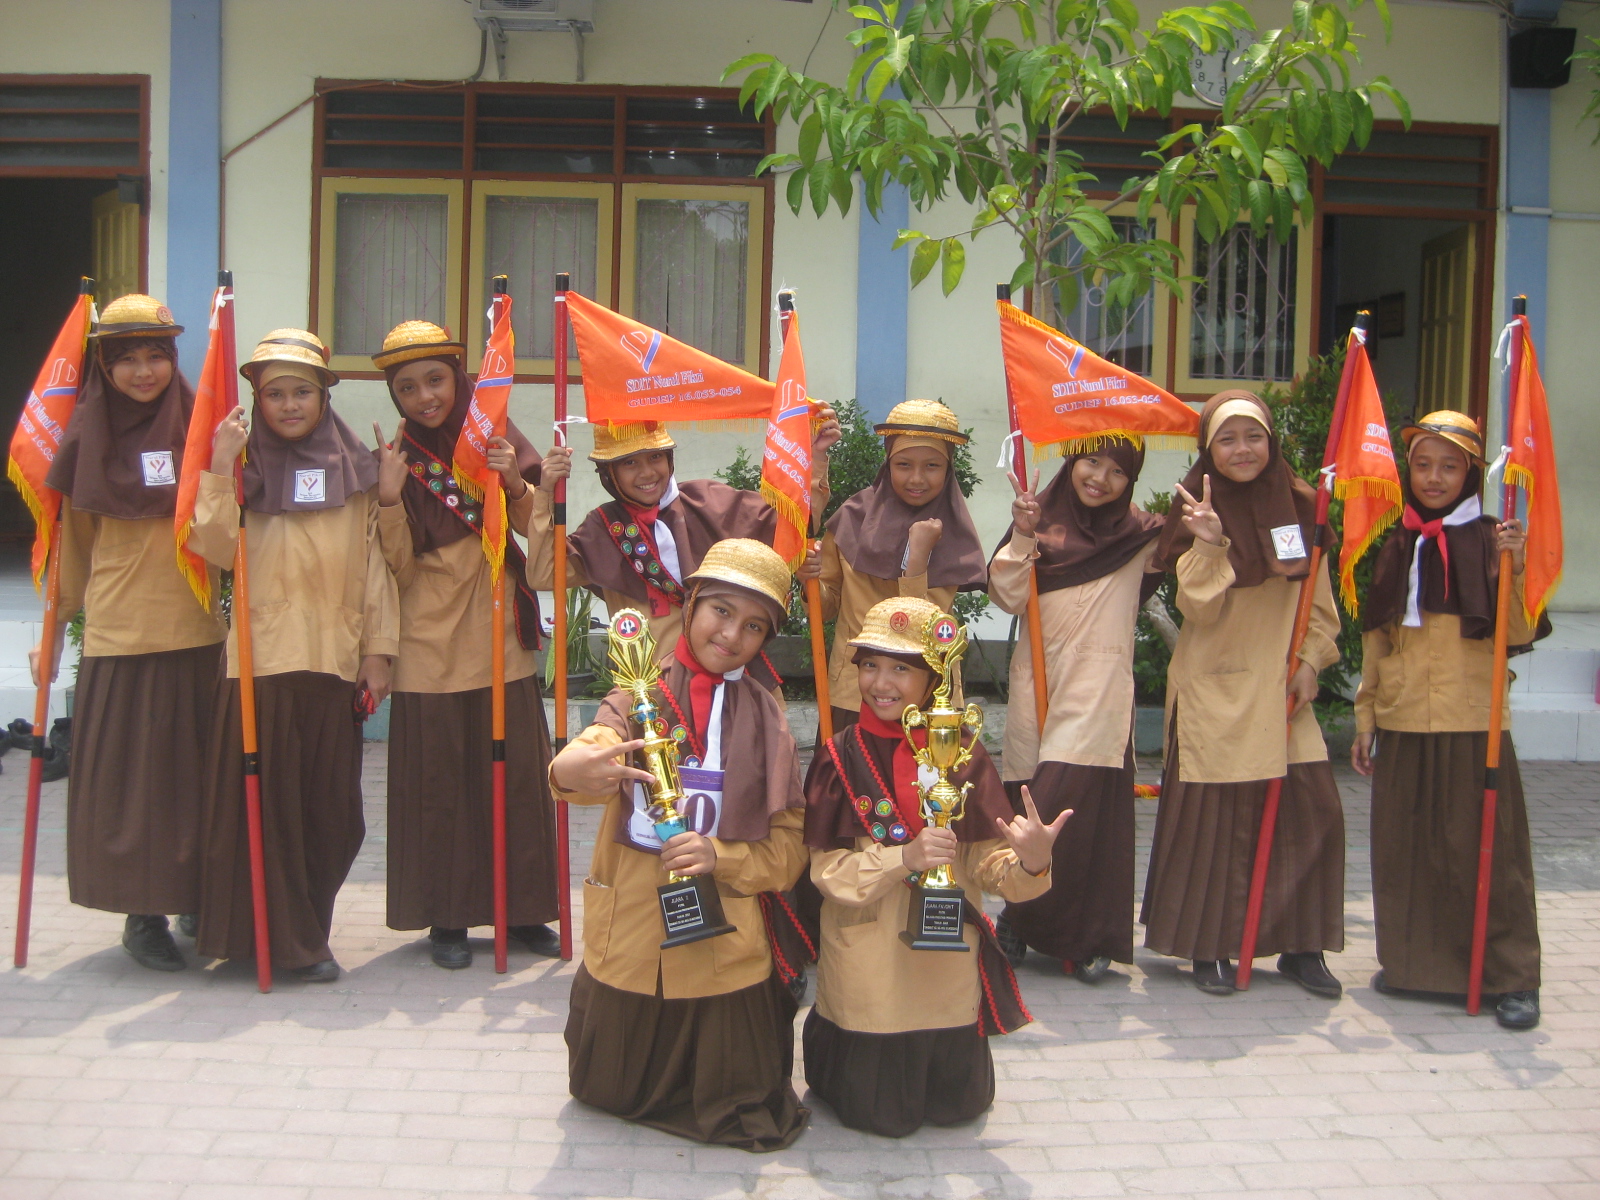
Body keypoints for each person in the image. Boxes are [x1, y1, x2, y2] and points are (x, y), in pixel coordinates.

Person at [548, 539, 810, 1150]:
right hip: (633, 930)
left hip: (721, 942)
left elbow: (790, 851)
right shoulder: (636, 693)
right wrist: (571, 769)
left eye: (754, 626)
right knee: (603, 1088)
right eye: (721, 611)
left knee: (742, 1109)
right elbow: (585, 754)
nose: (732, 635)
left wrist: (725, 856)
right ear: (689, 605)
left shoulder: (767, 718)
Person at [801, 596, 1064, 1137]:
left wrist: (1033, 863)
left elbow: (989, 864)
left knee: (956, 1108)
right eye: (871, 664)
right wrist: (904, 857)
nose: (882, 682)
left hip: (946, 969)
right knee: (881, 1117)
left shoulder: (963, 752)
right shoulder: (839, 755)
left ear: (932, 677)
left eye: (902, 667)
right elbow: (826, 872)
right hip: (869, 971)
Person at [190, 330, 398, 983]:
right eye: (274, 393)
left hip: (333, 663)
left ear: (323, 395)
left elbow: (376, 568)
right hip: (259, 664)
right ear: (256, 399)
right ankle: (283, 945)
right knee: (260, 812)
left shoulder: (358, 469)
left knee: (331, 816)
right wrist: (219, 468)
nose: (287, 405)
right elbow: (216, 551)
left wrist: (381, 652)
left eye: (300, 392)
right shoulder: (244, 468)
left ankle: (305, 928)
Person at [32, 294, 227, 972]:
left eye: (156, 356)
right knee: (135, 786)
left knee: (198, 778)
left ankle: (195, 898)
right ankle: (141, 915)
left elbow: (228, 532)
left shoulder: (201, 426)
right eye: (127, 360)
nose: (144, 372)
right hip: (119, 636)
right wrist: (54, 632)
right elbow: (72, 553)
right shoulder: (87, 434)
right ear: (104, 367)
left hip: (196, 630)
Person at [370, 321, 563, 969]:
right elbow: (393, 567)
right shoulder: (396, 456)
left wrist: (512, 483)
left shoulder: (492, 436)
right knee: (440, 782)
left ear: (458, 375)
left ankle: (525, 909)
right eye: (407, 387)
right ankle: (445, 918)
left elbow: (544, 532)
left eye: (435, 379)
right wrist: (391, 500)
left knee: (519, 784)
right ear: (394, 397)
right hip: (429, 638)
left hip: (498, 627)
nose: (425, 396)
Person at [1142, 390, 1346, 998]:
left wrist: (1312, 662)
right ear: (1209, 449)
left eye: (1252, 436)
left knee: (1314, 814)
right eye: (1226, 439)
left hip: (1284, 688)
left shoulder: (1306, 506)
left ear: (1271, 441)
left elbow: (1323, 608)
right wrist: (1209, 541)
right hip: (1217, 686)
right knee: (1215, 825)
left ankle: (1301, 946)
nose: (1241, 450)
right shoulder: (1194, 510)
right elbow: (1197, 610)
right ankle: (1208, 947)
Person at [1352, 410, 1546, 1030]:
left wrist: (1515, 570)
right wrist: (1365, 719)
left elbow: (1515, 634)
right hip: (1405, 719)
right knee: (1407, 849)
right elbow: (1377, 643)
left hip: (1473, 722)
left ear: (1471, 473)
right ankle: (1417, 967)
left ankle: (1510, 979)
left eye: (1450, 465)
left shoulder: (1494, 540)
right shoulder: (1397, 543)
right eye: (1423, 464)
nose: (1434, 478)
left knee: (1488, 853)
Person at [988, 440, 1165, 983]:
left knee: (1072, 806)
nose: (1101, 478)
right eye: (1092, 463)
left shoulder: (1143, 534)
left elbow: (1191, 544)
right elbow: (1005, 595)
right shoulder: (1038, 522)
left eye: (1118, 471)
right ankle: (1022, 915)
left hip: (1098, 687)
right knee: (1030, 804)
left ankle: (1088, 937)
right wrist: (1022, 531)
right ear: (1072, 464)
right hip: (1035, 681)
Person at [535, 413, 837, 693]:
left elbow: (793, 524)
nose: (647, 472)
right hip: (652, 691)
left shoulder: (709, 502)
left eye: (655, 457)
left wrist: (816, 455)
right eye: (629, 463)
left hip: (732, 678)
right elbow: (544, 574)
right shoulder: (602, 528)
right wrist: (546, 491)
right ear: (608, 472)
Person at [804, 399, 987, 735]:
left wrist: (917, 559)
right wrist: (809, 579)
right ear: (888, 464)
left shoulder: (952, 529)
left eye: (932, 466)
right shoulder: (852, 517)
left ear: (948, 470)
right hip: (855, 690)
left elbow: (925, 629)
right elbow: (827, 605)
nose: (916, 478)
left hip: (932, 698)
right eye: (903, 464)